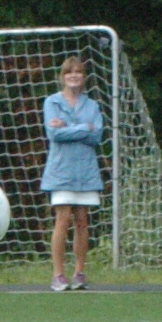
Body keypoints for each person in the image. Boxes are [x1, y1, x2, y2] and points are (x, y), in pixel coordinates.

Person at [42, 55, 105, 291]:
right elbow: (54, 134)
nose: (74, 76)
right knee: (62, 219)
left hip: (85, 170)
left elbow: (96, 135)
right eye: (69, 72)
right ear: (63, 76)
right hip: (61, 170)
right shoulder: (52, 102)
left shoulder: (92, 105)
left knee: (81, 220)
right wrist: (82, 128)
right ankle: (58, 274)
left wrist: (69, 128)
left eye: (78, 72)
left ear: (83, 76)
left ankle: (79, 272)